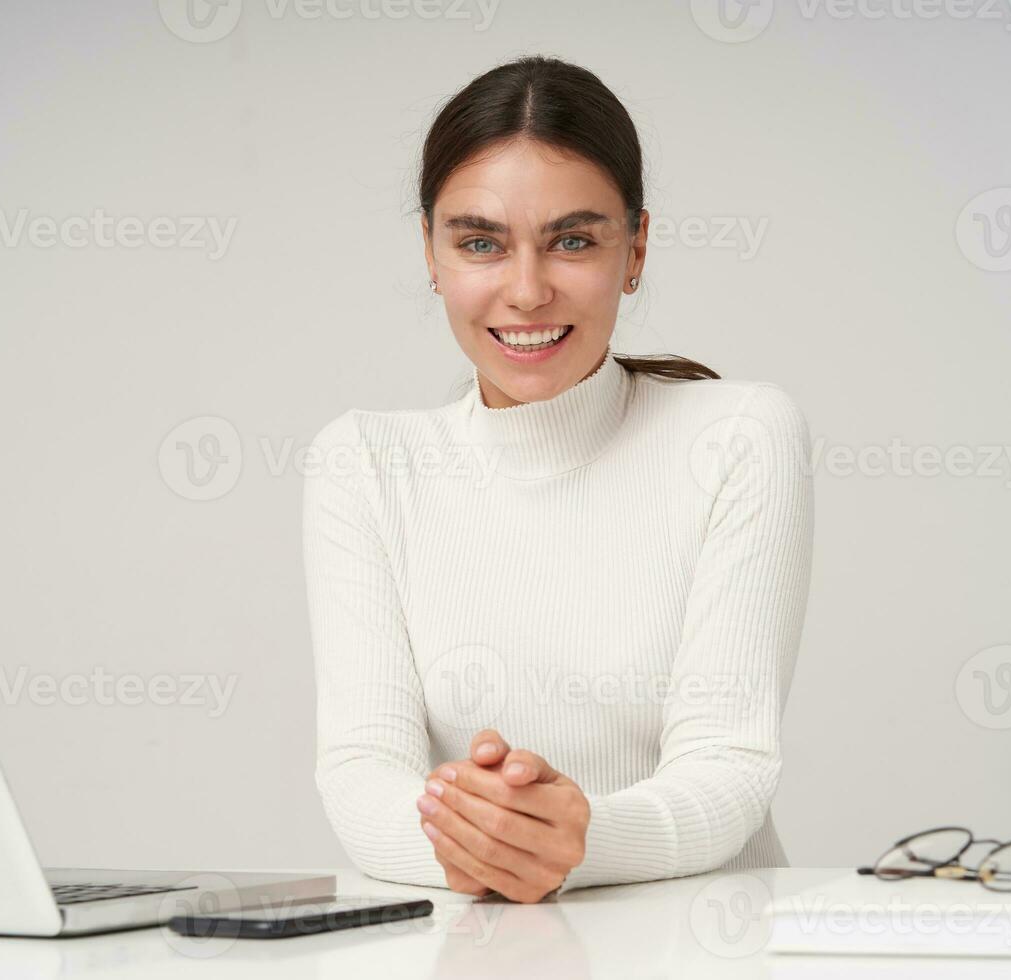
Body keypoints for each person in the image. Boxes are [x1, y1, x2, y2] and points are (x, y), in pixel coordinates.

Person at [302, 55, 814, 903]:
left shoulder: (739, 437)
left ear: (636, 247)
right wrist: (493, 843)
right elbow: (362, 774)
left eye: (572, 241)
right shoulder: (364, 464)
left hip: (710, 947)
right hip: (488, 953)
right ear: (430, 253)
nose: (528, 291)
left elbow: (729, 770)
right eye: (480, 243)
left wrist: (577, 839)